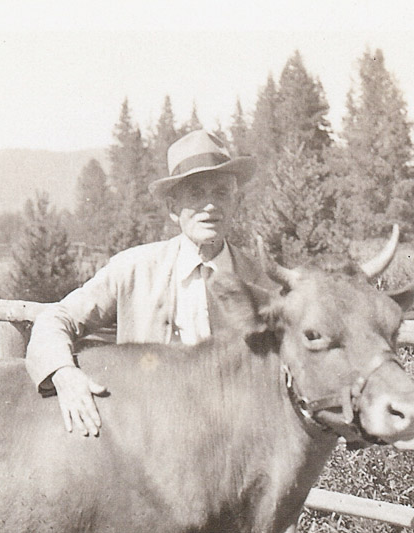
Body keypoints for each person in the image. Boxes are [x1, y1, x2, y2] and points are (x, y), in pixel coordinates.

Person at [25, 129, 268, 436]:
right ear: (172, 209)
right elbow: (55, 318)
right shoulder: (134, 270)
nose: (210, 206)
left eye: (221, 193)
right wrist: (63, 373)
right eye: (196, 194)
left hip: (236, 442)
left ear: (235, 203)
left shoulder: (259, 281)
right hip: (149, 442)